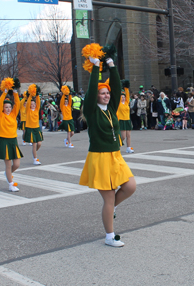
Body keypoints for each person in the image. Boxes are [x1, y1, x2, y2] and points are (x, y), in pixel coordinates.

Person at [79, 56, 136, 248]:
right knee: (109, 197)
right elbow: (90, 90)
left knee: (130, 187)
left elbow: (118, 89)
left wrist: (112, 66)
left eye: (107, 93)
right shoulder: (91, 111)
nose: (106, 95)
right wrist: (96, 68)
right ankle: (109, 236)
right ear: (96, 95)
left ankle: (111, 209)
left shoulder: (112, 108)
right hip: (100, 158)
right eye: (102, 93)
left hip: (115, 156)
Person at [0, 87, 23, 192]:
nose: (8, 109)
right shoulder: (0, 115)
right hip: (4, 141)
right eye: (6, 107)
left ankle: (8, 174)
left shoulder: (13, 114)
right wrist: (5, 92)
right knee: (7, 164)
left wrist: (15, 93)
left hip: (13, 141)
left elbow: (18, 104)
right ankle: (11, 184)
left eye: (9, 107)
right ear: (3, 108)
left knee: (16, 164)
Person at [24, 91, 44, 165]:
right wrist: (30, 96)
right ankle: (35, 158)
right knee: (34, 144)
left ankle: (34, 152)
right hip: (30, 128)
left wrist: (37, 95)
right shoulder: (28, 110)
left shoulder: (36, 109)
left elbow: (38, 102)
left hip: (37, 128)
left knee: (39, 143)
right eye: (31, 104)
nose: (33, 105)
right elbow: (28, 103)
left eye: (34, 104)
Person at [117, 85, 134, 154]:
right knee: (123, 137)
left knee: (128, 136)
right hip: (121, 120)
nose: (123, 98)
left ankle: (129, 148)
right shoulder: (118, 104)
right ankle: (117, 147)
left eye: (124, 97)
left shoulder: (127, 103)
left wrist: (126, 88)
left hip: (127, 120)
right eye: (122, 97)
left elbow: (128, 95)